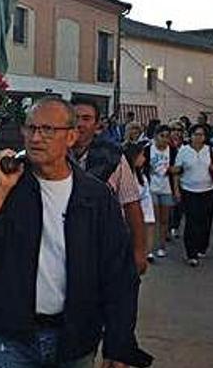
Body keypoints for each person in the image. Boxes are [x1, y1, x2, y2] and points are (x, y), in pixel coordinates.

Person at [0, 96, 152, 368]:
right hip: (12, 337)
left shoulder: (95, 197)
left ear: (71, 137)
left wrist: (118, 346)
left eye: (48, 130)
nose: (36, 137)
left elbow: (119, 277)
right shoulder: (5, 181)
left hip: (74, 338)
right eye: (31, 128)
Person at [71, 98, 148, 274]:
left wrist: (139, 252)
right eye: (75, 118)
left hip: (105, 243)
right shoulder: (55, 155)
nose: (80, 124)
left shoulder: (113, 157)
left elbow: (131, 205)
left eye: (86, 118)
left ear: (97, 125)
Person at [172, 124, 213, 267]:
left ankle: (202, 246)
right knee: (191, 221)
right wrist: (176, 190)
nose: (198, 137)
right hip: (189, 190)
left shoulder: (211, 151)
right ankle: (191, 253)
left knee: (205, 221)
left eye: (201, 135)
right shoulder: (184, 151)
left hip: (208, 190)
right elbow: (177, 171)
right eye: (195, 134)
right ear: (190, 136)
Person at [124, 141, 156, 263]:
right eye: (141, 155)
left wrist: (149, 218)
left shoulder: (142, 177)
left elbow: (147, 199)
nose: (144, 158)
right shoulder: (123, 176)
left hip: (140, 217)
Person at [147, 125, 177, 258]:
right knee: (152, 219)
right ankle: (149, 249)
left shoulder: (172, 151)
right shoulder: (148, 150)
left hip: (166, 188)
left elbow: (176, 171)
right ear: (156, 136)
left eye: (167, 137)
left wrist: (176, 189)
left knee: (164, 219)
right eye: (162, 136)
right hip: (151, 187)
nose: (164, 140)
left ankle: (161, 246)